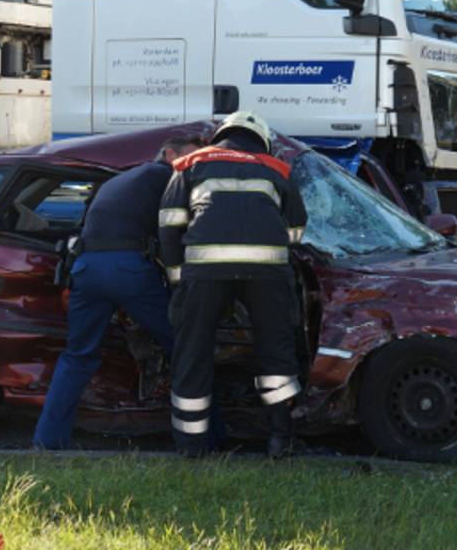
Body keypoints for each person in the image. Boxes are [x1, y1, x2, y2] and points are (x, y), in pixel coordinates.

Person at [31, 133, 203, 450]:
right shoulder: (164, 175)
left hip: (86, 269)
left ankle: (47, 441)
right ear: (168, 154)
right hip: (127, 270)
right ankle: (202, 441)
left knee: (77, 356)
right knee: (184, 348)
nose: (194, 166)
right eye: (190, 158)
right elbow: (174, 230)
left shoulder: (121, 180)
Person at [159, 111, 308, 458]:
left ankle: (191, 447)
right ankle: (280, 439)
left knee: (193, 353)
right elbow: (296, 231)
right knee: (276, 351)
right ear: (262, 140)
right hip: (268, 275)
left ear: (220, 136)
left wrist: (179, 279)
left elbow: (169, 226)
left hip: (205, 274)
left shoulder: (190, 163)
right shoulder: (277, 169)